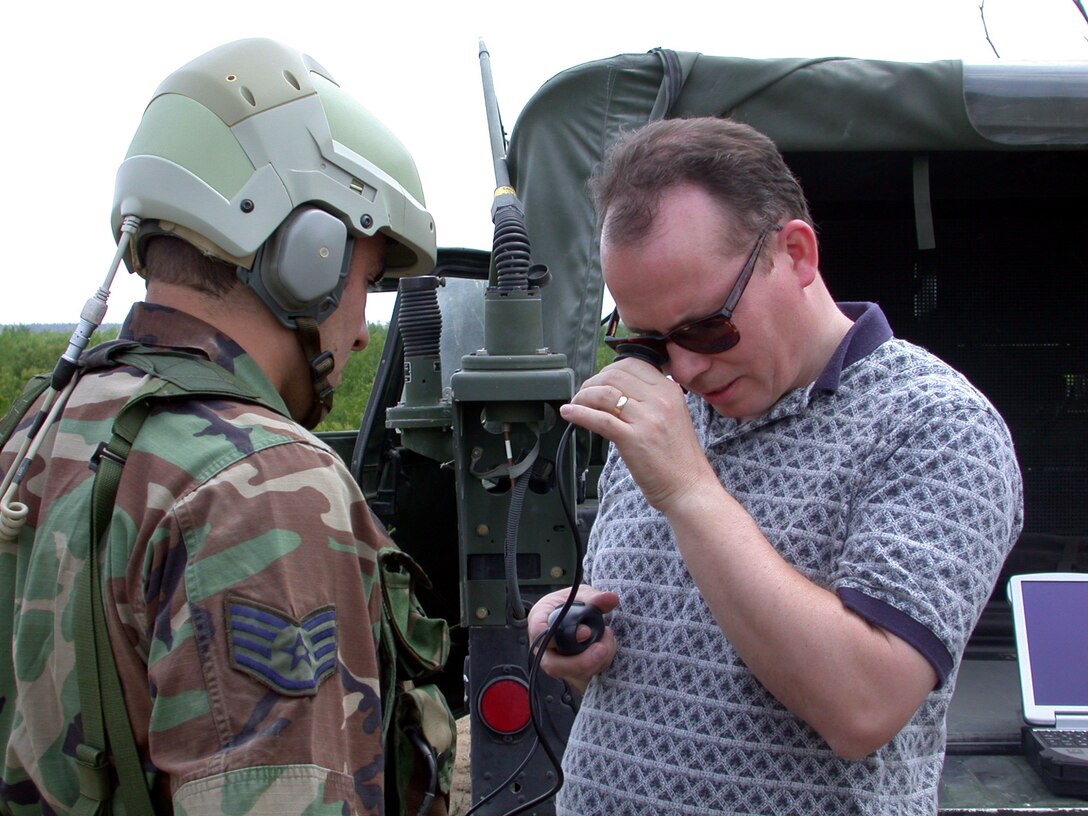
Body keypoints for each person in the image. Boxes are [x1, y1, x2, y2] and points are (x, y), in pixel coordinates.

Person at [527, 117, 1024, 815]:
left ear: (796, 253)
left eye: (707, 326)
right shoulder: (668, 414)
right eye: (650, 342)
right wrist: (574, 637)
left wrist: (689, 489)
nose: (685, 368)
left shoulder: (937, 425)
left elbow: (864, 706)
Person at [0, 39, 437, 815]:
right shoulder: (262, 484)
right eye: (367, 281)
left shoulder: (46, 420)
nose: (362, 333)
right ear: (309, 256)